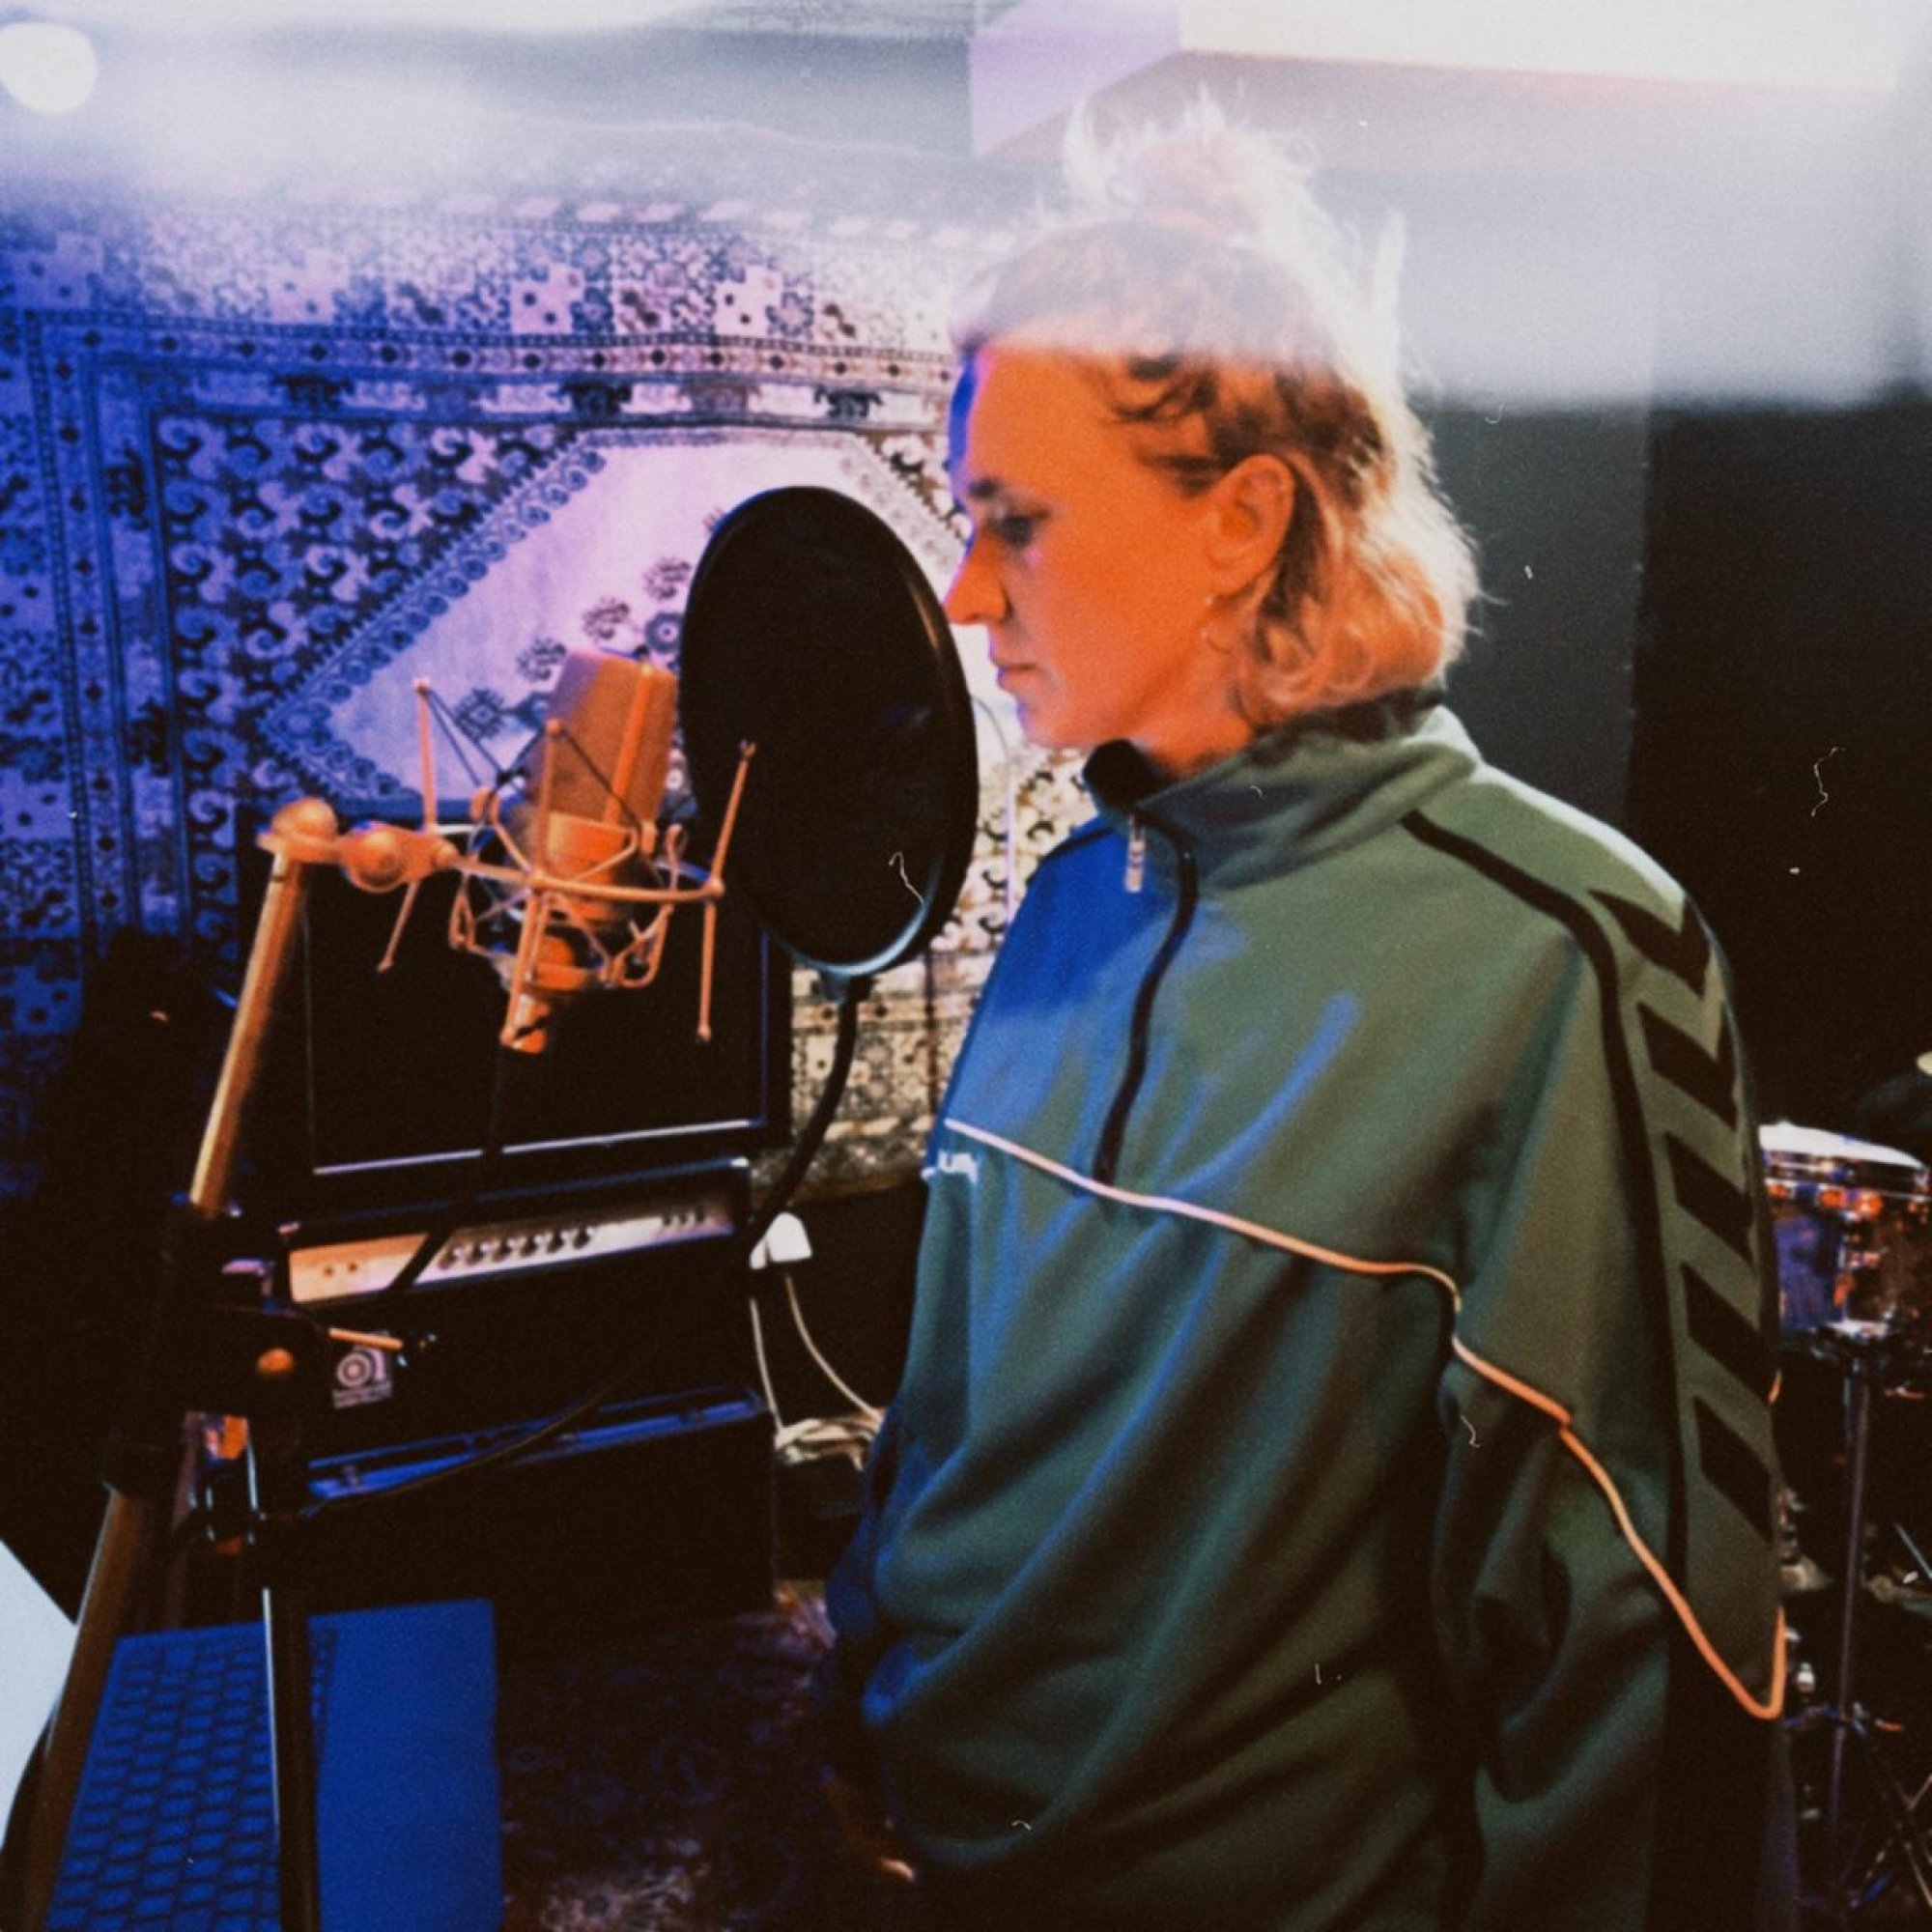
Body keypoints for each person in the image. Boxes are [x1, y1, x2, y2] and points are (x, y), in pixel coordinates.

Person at [819, 101, 1790, 1930]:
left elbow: (1640, 1643)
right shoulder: (1065, 907)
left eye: (1016, 522)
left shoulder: (1559, 953)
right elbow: (948, 1419)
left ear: (1242, 520)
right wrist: (857, 1719)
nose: (963, 593)